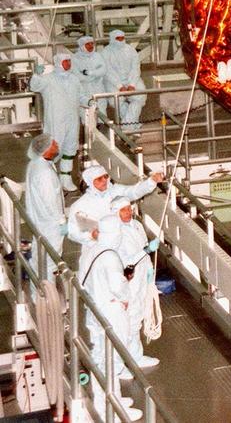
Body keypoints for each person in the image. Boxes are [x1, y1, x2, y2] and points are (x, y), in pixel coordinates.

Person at [79, 214, 144, 421]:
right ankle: (110, 411)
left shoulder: (93, 250)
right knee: (111, 359)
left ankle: (112, 397)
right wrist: (125, 291)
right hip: (111, 311)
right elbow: (118, 287)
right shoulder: (111, 257)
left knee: (104, 357)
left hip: (96, 308)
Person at [67, 163, 164, 248]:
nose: (104, 180)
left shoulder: (115, 190)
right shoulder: (81, 205)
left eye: (105, 176)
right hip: (97, 248)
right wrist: (91, 235)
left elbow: (134, 191)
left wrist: (152, 181)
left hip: (122, 243)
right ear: (90, 182)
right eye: (99, 179)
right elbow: (73, 231)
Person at [112, 197, 160, 369]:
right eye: (123, 210)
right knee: (129, 320)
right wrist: (146, 251)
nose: (128, 212)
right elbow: (126, 262)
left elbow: (143, 251)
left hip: (140, 278)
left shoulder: (137, 225)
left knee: (137, 316)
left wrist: (149, 271)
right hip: (128, 281)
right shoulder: (117, 233)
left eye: (129, 208)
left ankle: (135, 356)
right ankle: (124, 361)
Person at [30, 48, 85, 191]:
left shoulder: (74, 79)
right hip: (56, 120)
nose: (68, 64)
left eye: (69, 61)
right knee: (53, 148)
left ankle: (65, 179)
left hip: (72, 120)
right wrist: (36, 75)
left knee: (70, 148)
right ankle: (48, 180)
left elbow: (81, 95)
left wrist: (89, 101)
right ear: (59, 63)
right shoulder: (48, 79)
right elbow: (34, 86)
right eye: (65, 61)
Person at [23, 133, 65, 281]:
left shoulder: (36, 163)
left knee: (38, 256)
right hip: (50, 223)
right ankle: (48, 296)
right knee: (51, 261)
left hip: (39, 219)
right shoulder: (45, 173)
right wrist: (61, 222)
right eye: (53, 144)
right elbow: (50, 201)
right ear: (46, 149)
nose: (57, 145)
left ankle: (38, 294)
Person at [102, 30, 145, 132]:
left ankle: (127, 127)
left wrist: (132, 84)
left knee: (140, 97)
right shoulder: (105, 52)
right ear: (112, 39)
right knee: (116, 101)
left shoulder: (130, 50)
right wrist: (119, 86)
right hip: (113, 82)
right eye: (118, 38)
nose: (121, 40)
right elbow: (108, 71)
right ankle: (132, 125)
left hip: (132, 80)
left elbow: (136, 67)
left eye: (122, 38)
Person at [72, 35, 111, 116]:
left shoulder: (97, 56)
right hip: (84, 90)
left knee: (102, 111)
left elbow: (103, 70)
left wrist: (90, 73)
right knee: (86, 113)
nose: (90, 46)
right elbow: (77, 76)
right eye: (88, 44)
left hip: (99, 88)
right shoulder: (75, 59)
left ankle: (102, 127)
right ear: (82, 46)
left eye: (92, 43)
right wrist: (94, 76)